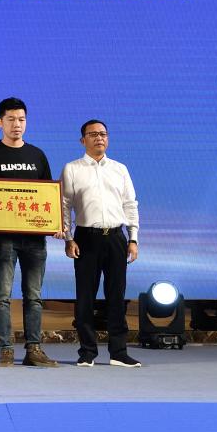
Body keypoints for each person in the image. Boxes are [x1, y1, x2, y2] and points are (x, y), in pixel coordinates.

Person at [0, 97, 60, 368]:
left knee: (34, 296)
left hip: (35, 239)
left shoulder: (37, 155)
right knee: (2, 295)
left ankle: (34, 349)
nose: (17, 124)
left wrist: (55, 224)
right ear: (0, 122)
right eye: (11, 119)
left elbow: (48, 196)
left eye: (21, 119)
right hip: (3, 239)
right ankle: (6, 350)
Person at [60, 119, 143, 368]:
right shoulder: (72, 169)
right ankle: (87, 352)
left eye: (103, 134)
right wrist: (68, 238)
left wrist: (133, 238)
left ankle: (119, 352)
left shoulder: (120, 169)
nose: (99, 138)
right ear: (82, 140)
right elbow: (64, 206)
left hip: (116, 237)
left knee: (116, 296)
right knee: (85, 296)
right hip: (86, 237)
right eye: (93, 134)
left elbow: (130, 204)